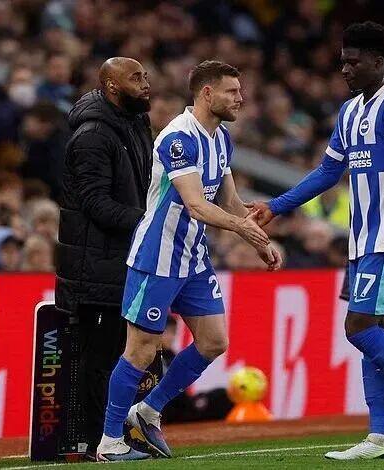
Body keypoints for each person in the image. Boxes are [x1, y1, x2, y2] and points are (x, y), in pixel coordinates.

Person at [247, 22, 384, 460]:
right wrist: (277, 206)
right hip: (361, 239)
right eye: (342, 61)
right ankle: (379, 437)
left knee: (358, 327)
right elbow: (328, 172)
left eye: (352, 62)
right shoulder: (349, 112)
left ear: (378, 61)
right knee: (377, 330)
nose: (344, 69)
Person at [96, 60, 282, 461]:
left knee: (214, 342)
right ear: (207, 93)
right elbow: (196, 205)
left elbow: (229, 200)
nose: (241, 98)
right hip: (158, 255)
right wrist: (243, 228)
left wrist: (258, 240)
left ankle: (148, 411)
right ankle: (110, 442)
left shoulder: (221, 137)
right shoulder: (178, 138)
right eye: (232, 91)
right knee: (142, 350)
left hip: (193, 256)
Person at [55, 57, 153, 458]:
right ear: (112, 86)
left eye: (145, 75)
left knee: (118, 353)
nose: (145, 83)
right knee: (99, 358)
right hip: (94, 267)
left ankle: (113, 435)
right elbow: (95, 204)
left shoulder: (135, 123)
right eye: (136, 77)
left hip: (122, 260)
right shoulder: (93, 135)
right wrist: (150, 222)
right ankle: (100, 441)